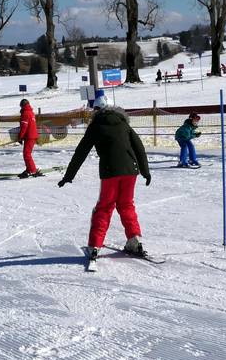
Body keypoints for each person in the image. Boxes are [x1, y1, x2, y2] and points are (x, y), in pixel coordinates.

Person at [57, 93, 151, 263]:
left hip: (110, 171)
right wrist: (145, 171)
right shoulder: (123, 123)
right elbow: (139, 147)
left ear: (97, 109)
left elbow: (81, 152)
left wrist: (68, 176)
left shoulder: (96, 126)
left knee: (105, 207)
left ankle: (95, 245)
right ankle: (134, 239)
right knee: (126, 205)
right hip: (131, 170)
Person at [18, 98, 41, 178]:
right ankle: (29, 169)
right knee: (27, 154)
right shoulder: (31, 112)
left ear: (22, 105)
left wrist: (20, 137)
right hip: (32, 135)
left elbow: (24, 127)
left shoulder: (25, 113)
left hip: (29, 136)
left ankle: (32, 170)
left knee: (27, 154)